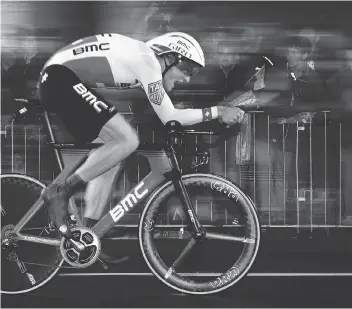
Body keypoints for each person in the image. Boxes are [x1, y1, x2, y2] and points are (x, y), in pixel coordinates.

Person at [37, 32, 245, 238]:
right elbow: (170, 116)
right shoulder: (147, 60)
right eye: (187, 69)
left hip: (58, 80)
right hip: (58, 78)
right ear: (170, 58)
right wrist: (219, 111)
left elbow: (155, 112)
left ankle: (89, 232)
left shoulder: (140, 60)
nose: (187, 78)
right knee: (127, 140)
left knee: (113, 154)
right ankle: (60, 192)